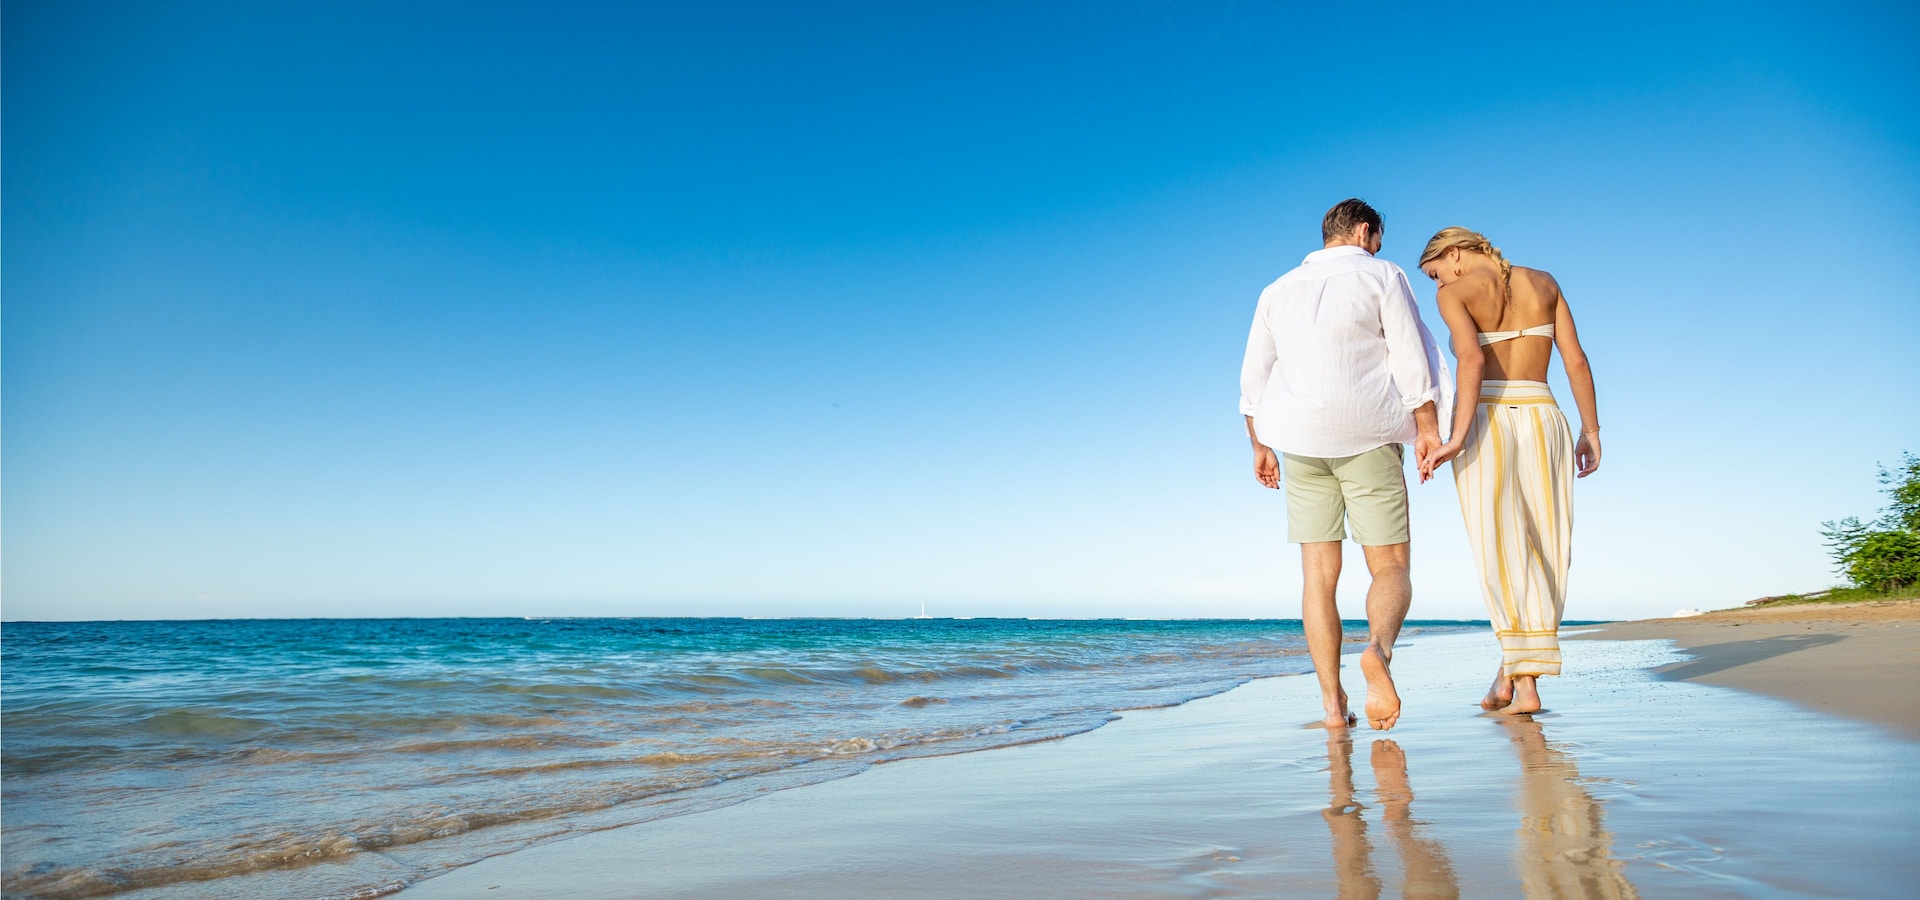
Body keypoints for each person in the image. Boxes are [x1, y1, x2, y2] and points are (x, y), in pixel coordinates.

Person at [1240, 199, 1448, 731]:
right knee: (1390, 566)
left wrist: (1259, 445)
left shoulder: (1276, 290)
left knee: (1317, 578)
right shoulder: (1382, 274)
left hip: (1299, 444)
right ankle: (1377, 649)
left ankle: (1333, 708)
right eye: (1378, 238)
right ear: (1363, 230)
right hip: (1370, 435)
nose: (1379, 246)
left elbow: (1254, 378)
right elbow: (1409, 355)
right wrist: (1428, 428)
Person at [1415, 227, 1600, 715]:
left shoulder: (1456, 294)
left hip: (1488, 418)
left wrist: (1455, 437)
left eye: (1435, 274)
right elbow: (1576, 361)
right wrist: (1592, 430)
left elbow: (1471, 359)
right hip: (1545, 414)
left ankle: (1526, 687)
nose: (1437, 286)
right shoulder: (1545, 282)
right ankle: (1514, 677)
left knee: (1501, 548)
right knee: (1547, 544)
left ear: (1454, 256)